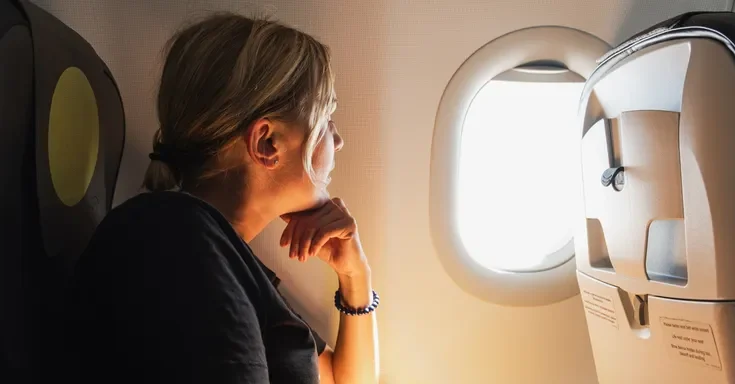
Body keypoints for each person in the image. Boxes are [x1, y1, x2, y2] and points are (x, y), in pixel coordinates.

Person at [62, 12, 379, 384]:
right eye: (327, 120)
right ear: (267, 143)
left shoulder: (216, 252)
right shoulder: (180, 242)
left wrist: (355, 276)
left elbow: (345, 380)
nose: (337, 140)